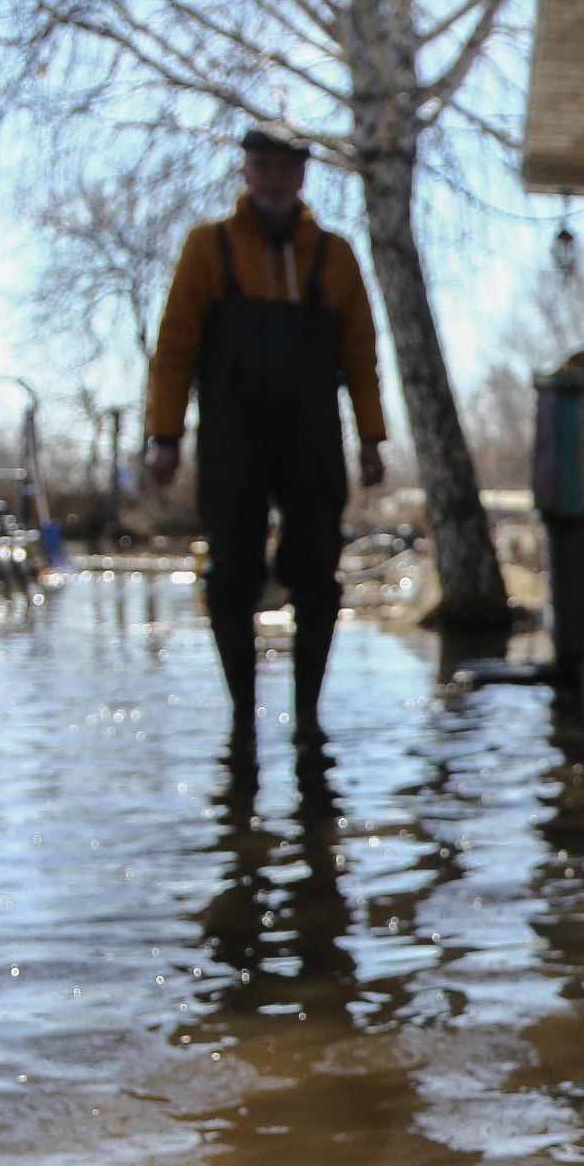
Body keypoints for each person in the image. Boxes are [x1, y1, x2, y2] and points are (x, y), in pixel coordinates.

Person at [145, 123, 390, 755]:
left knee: (317, 571)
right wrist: (165, 436)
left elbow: (362, 354)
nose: (274, 177)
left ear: (302, 177)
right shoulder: (209, 248)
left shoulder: (335, 256)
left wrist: (371, 436)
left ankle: (308, 717)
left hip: (312, 437)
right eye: (263, 165)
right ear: (246, 173)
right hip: (232, 436)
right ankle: (243, 721)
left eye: (286, 167)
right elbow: (174, 349)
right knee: (231, 573)